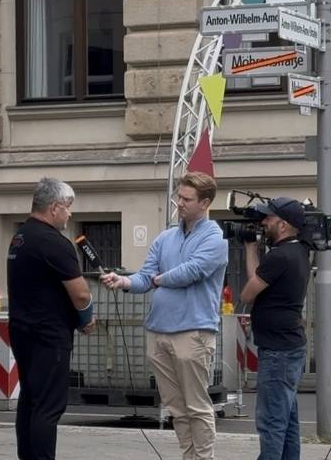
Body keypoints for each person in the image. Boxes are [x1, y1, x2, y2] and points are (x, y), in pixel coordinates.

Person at [102, 171, 228, 460]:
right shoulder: (165, 237)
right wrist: (124, 281)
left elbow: (192, 271)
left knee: (196, 406)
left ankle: (203, 458)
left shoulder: (215, 237)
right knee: (176, 408)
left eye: (187, 199)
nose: (179, 203)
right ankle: (189, 456)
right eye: (178, 197)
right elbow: (145, 276)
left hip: (193, 331)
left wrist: (158, 279)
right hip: (158, 330)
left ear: (205, 203)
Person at [7, 177, 96, 460]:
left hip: (22, 331)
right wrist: (86, 319)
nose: (70, 214)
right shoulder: (54, 242)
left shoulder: (20, 237)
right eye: (68, 207)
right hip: (49, 335)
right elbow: (80, 293)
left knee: (30, 400)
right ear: (54, 208)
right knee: (48, 406)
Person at [239, 197, 311, 460]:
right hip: (289, 346)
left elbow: (247, 294)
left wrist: (250, 248)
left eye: (268, 218)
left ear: (283, 225)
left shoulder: (279, 256)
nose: (264, 222)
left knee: (271, 421)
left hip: (277, 351)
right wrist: (251, 248)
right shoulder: (299, 251)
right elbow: (259, 281)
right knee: (287, 419)